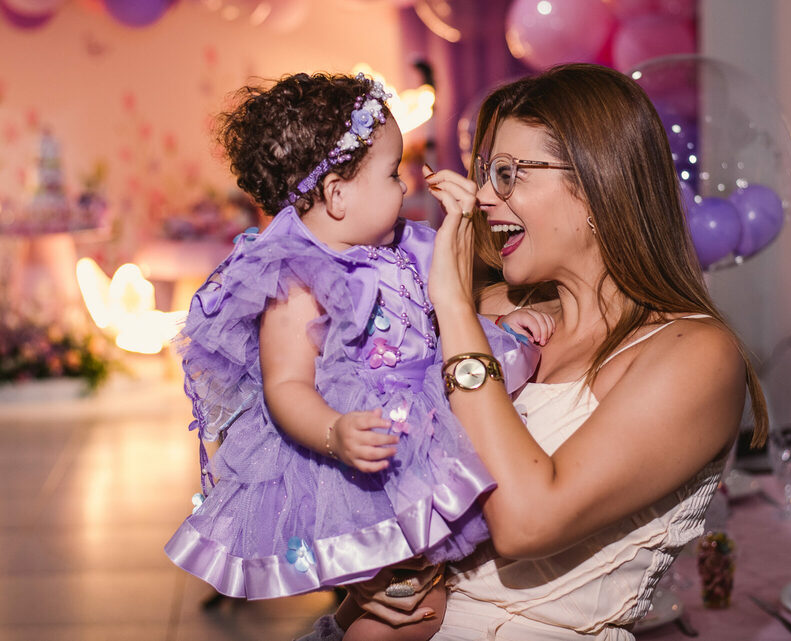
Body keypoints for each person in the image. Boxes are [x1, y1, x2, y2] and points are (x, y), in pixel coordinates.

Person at [346, 63, 769, 640]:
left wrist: (454, 308)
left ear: (596, 185)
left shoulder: (696, 356)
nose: (483, 197)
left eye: (507, 173)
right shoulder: (496, 314)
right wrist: (372, 570)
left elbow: (526, 522)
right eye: (485, 173)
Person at [162, 72, 549, 641]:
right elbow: (285, 386)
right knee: (411, 604)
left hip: (417, 425)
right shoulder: (297, 278)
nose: (406, 185)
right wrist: (334, 431)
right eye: (392, 173)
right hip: (360, 455)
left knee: (415, 595)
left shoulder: (400, 247)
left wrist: (497, 326)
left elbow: (440, 320)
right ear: (338, 194)